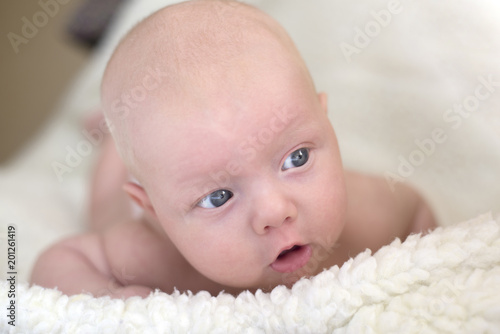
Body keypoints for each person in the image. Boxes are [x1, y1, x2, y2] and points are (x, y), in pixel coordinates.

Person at [31, 0, 436, 298]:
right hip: (125, 187)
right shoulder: (151, 255)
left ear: (326, 123)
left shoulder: (371, 216)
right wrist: (113, 301)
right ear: (153, 209)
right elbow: (57, 264)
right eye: (218, 197)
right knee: (112, 171)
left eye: (297, 158)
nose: (275, 212)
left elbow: (415, 209)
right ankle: (109, 135)